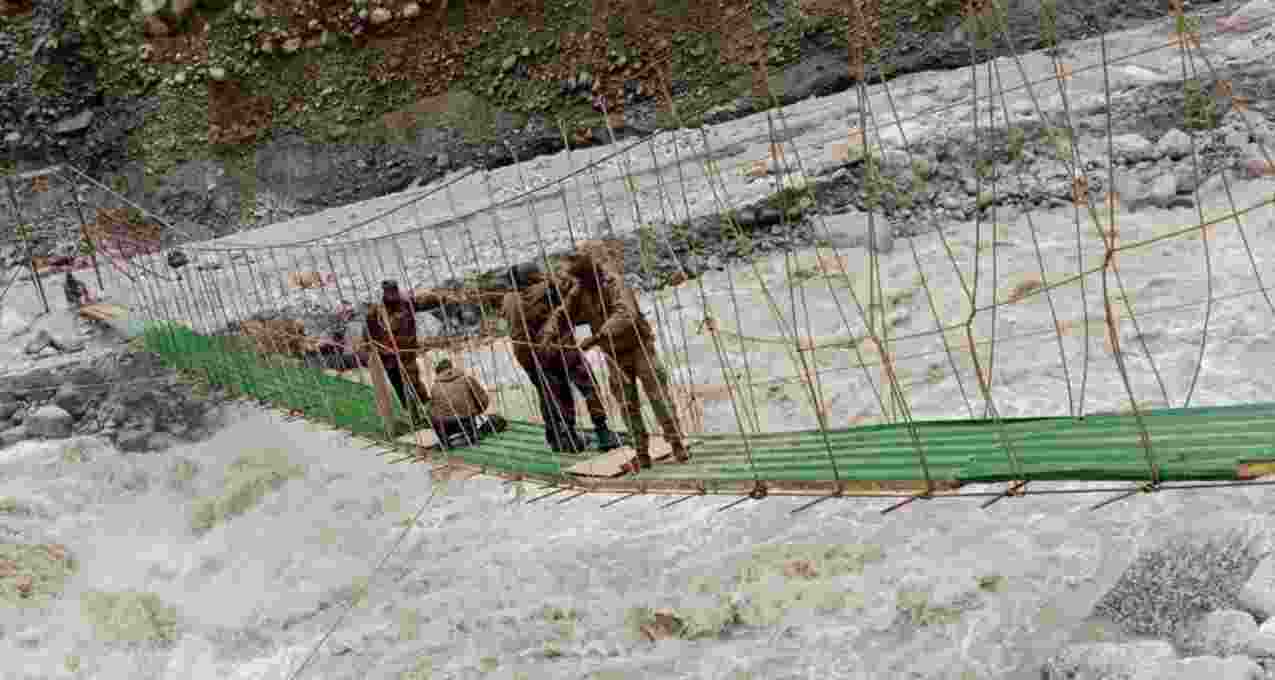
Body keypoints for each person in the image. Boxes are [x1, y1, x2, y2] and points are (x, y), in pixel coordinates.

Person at [542, 240, 688, 473]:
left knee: (657, 396)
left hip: (639, 346)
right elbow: (562, 313)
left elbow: (626, 313)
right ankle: (641, 453)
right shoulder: (581, 290)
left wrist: (597, 336)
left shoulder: (614, 283)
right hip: (614, 354)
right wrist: (549, 333)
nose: (577, 284)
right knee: (626, 404)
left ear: (590, 274)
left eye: (580, 279)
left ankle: (677, 443)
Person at [500, 261, 622, 454]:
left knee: (555, 394)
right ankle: (602, 431)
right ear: (533, 276)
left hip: (532, 357)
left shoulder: (508, 300)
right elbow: (572, 295)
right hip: (562, 348)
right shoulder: (547, 288)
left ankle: (566, 437)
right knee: (588, 387)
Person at [363, 280, 430, 430]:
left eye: (394, 292)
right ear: (384, 293)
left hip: (407, 354)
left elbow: (425, 302)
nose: (392, 296)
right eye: (389, 293)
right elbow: (368, 337)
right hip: (389, 359)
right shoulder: (376, 313)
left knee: (413, 383)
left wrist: (443, 298)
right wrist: (381, 350)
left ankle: (425, 412)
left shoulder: (407, 304)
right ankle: (414, 417)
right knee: (400, 386)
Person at [428, 356, 506, 449]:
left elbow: (434, 409)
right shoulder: (467, 379)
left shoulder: (435, 387)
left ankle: (445, 441)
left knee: (434, 415)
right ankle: (472, 434)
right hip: (466, 421)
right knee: (491, 419)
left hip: (445, 425)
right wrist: (476, 412)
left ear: (438, 372)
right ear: (452, 367)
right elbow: (482, 400)